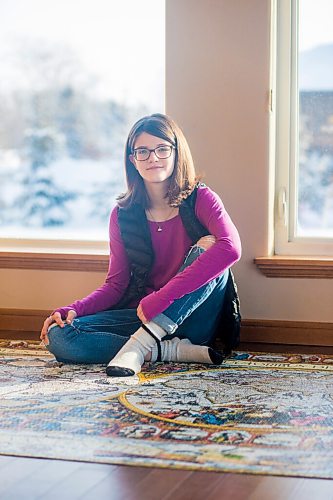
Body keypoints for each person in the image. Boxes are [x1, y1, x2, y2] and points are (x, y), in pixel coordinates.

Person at [40, 113, 241, 377]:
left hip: (194, 316)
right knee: (60, 336)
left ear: (176, 153)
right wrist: (73, 309)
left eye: (162, 149)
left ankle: (140, 347)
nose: (153, 158)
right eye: (143, 151)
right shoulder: (122, 215)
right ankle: (166, 350)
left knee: (213, 250)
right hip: (144, 314)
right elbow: (115, 285)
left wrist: (160, 298)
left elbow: (232, 248)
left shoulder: (201, 197)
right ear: (132, 160)